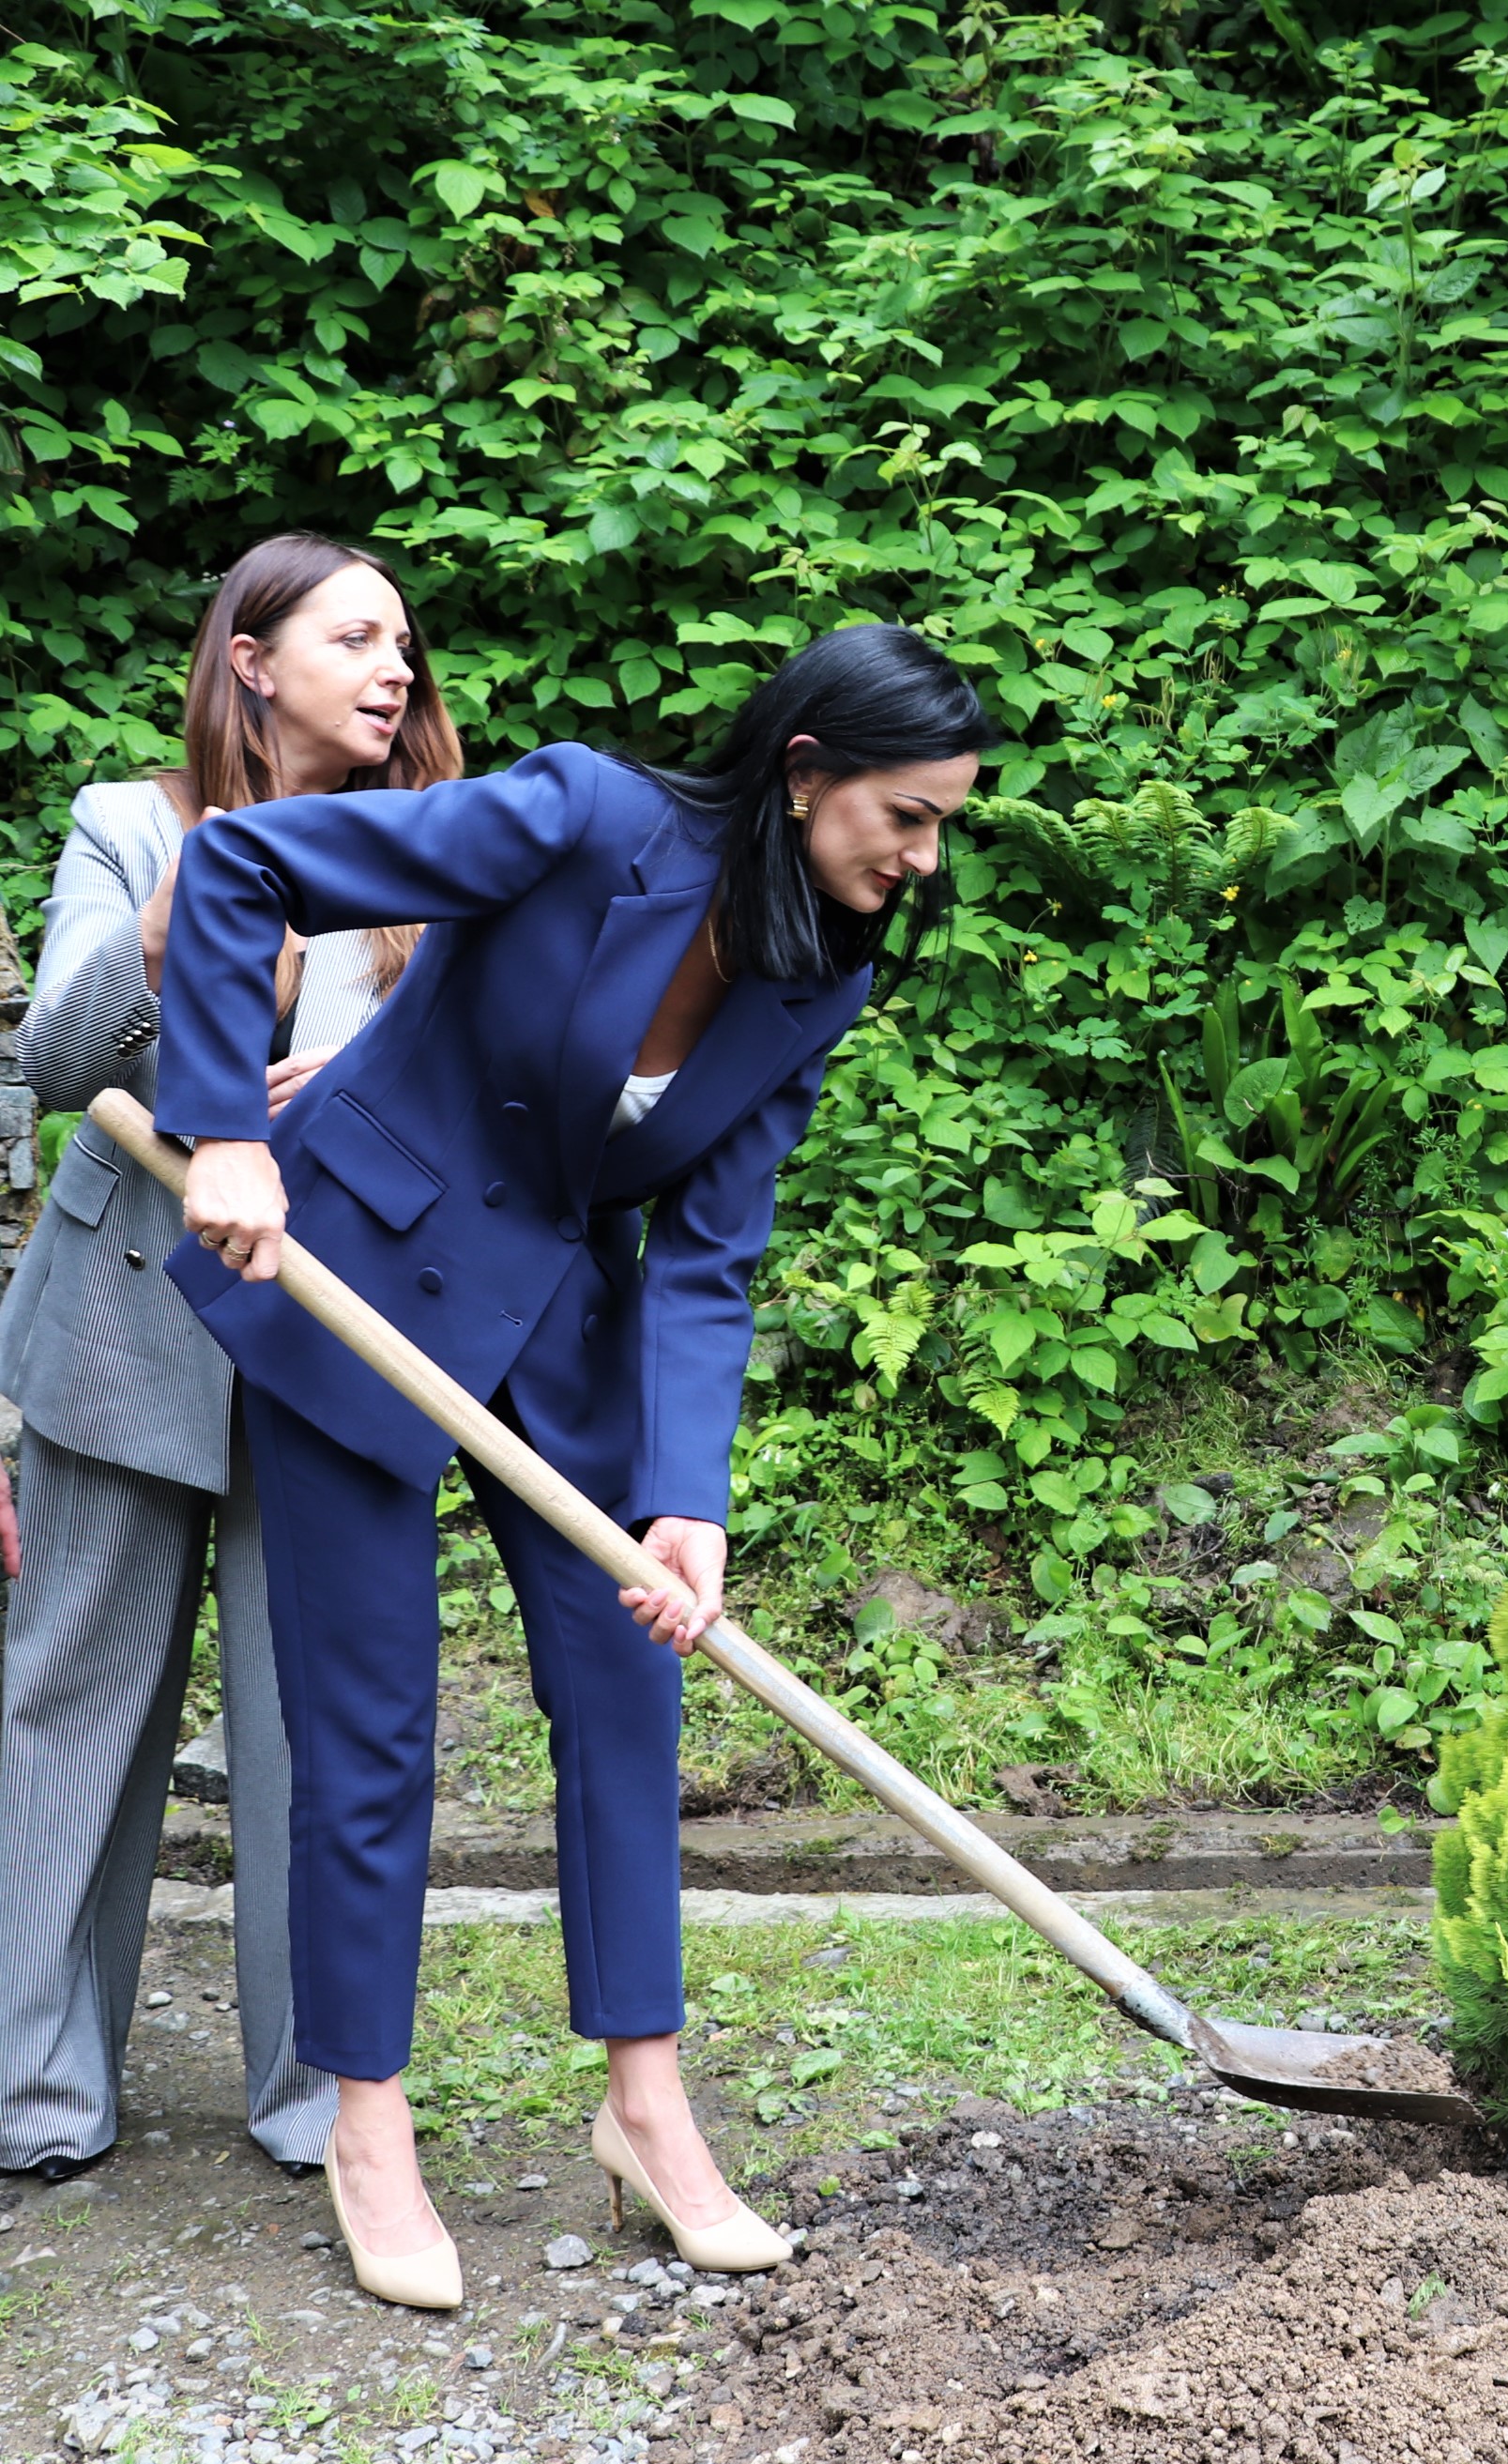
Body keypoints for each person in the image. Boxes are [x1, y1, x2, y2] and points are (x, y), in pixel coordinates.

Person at [157, 623, 991, 2309]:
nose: (921, 854)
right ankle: (369, 2123)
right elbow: (246, 860)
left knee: (629, 1680)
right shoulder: (578, 816)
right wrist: (227, 1126)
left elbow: (706, 1251)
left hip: (561, 1327)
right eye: (905, 813)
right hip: (358, 1279)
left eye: (943, 824)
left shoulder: (818, 967)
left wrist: (690, 1492)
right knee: (374, 1722)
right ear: (808, 766)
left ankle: (648, 2106)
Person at [0, 533, 456, 2183]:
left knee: (313, 1730)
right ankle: (30, 2091)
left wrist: (347, 1085)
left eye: (403, 641)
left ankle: (322, 2096)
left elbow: (475, 1103)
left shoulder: (424, 856)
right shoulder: (128, 823)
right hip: (125, 1324)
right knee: (64, 1711)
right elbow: (57, 1055)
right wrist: (183, 923)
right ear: (253, 660)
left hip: (330, 1350)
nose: (395, 666)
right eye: (355, 635)